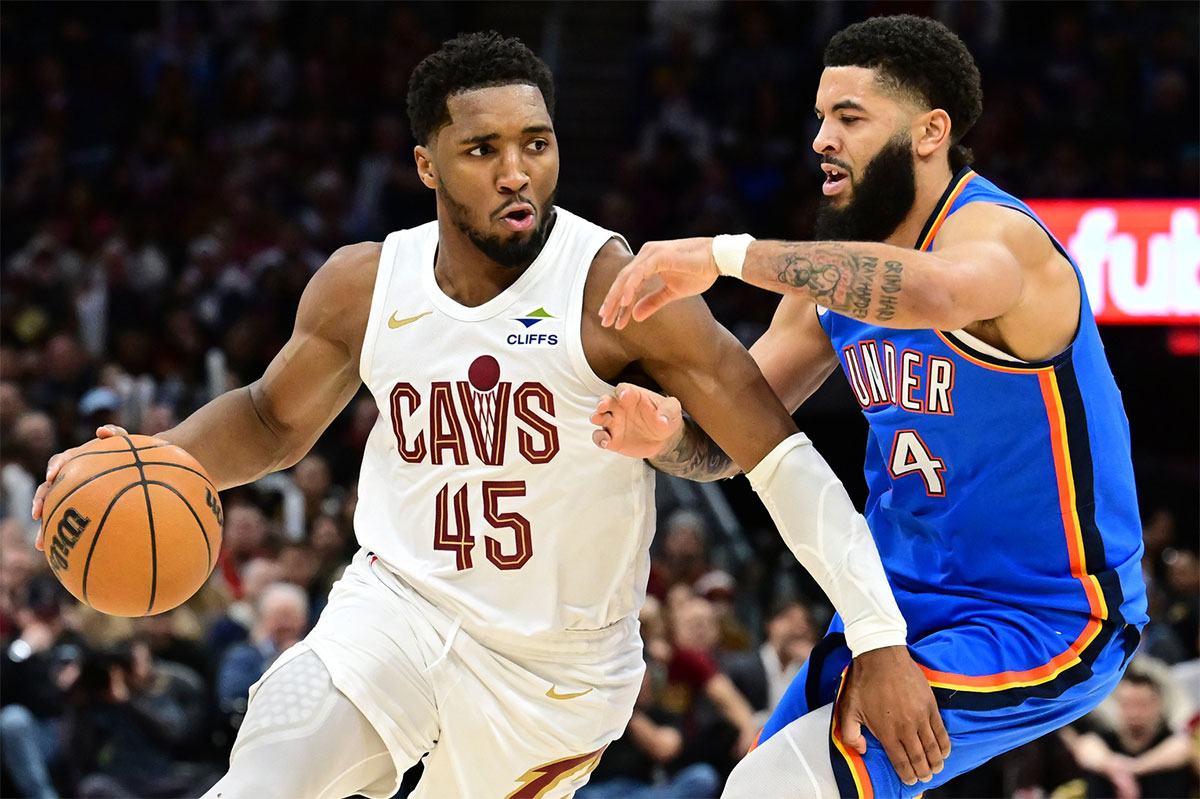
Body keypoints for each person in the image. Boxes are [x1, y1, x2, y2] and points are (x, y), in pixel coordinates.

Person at [33, 31, 943, 799]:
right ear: (426, 162)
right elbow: (271, 421)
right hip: (397, 607)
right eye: (482, 150)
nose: (517, 172)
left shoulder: (617, 287)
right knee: (263, 776)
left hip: (554, 671)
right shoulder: (365, 283)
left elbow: (780, 460)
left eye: (537, 144)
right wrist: (140, 457)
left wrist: (880, 637)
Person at [592, 15, 1148, 798]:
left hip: (1045, 613)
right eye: (820, 117)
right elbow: (728, 444)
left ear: (931, 131)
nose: (822, 138)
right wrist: (664, 436)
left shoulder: (999, 236)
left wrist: (722, 256)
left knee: (787, 786)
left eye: (850, 118)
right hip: (890, 605)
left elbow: (935, 290)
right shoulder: (832, 282)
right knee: (754, 780)